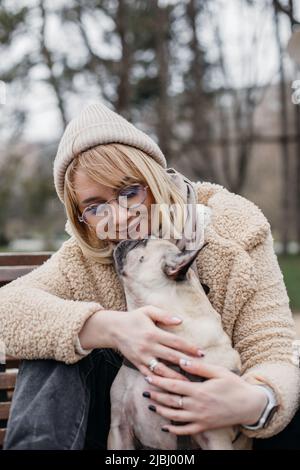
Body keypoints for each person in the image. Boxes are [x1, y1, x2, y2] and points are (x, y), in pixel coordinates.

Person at [0, 102, 299, 450]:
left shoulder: (232, 230)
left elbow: (271, 347)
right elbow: (8, 308)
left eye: (130, 192)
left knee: (285, 396)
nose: (121, 216)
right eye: (95, 207)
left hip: (224, 422)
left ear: (154, 180)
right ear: (80, 215)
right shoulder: (83, 259)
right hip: (120, 432)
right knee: (54, 343)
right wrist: (109, 328)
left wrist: (253, 401)